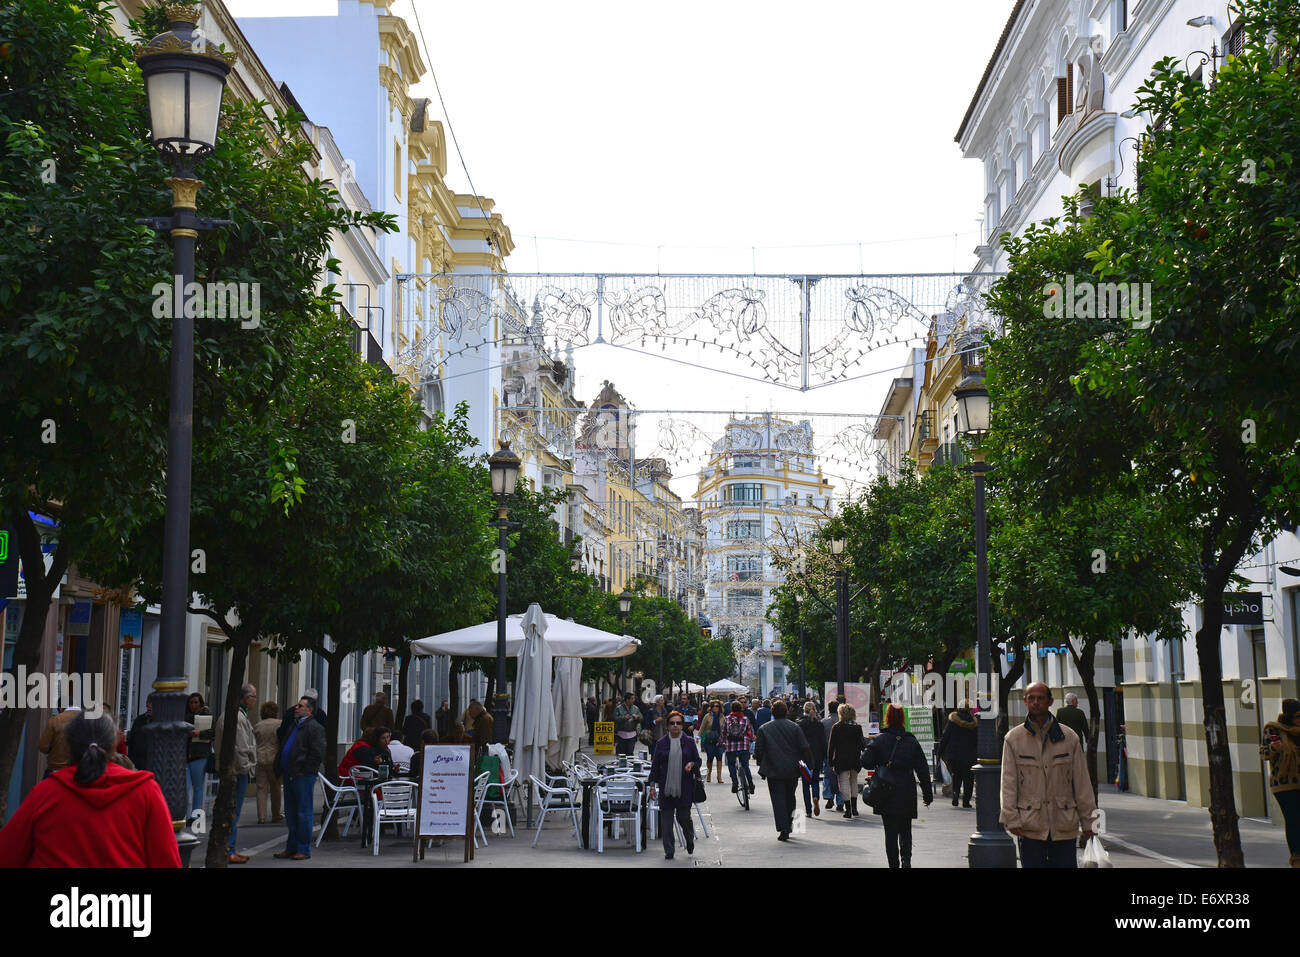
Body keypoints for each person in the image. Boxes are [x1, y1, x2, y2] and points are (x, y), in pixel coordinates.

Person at [0, 713, 181, 867]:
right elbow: (167, 861)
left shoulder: (46, 792)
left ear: (68, 747)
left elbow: (7, 854)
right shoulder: (145, 792)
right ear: (113, 746)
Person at [999, 682, 1096, 868]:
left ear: (1050, 701)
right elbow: (1008, 782)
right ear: (1025, 701)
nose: (1036, 703)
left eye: (1040, 698)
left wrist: (1090, 822)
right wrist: (1010, 817)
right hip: (1030, 826)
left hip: (1064, 825)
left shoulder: (1070, 738)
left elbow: (1082, 783)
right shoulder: (1013, 739)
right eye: (1031, 698)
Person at [862, 704, 934, 867]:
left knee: (890, 831)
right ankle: (906, 861)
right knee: (906, 829)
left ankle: (893, 864)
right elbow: (922, 769)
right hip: (906, 789)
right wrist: (927, 794)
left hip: (886, 790)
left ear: (887, 718)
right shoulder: (911, 741)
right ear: (902, 718)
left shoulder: (879, 740)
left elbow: (865, 762)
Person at [274, 696, 326, 861]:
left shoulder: (314, 727)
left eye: (300, 706)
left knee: (303, 812)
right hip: (291, 772)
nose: (296, 708)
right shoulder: (295, 725)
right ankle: (292, 846)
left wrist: (306, 769)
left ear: (309, 710)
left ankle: (303, 848)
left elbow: (317, 752)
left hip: (302, 774)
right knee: (291, 812)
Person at [212, 683, 258, 864]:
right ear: (246, 699)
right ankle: (228, 849)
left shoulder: (234, 716)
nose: (255, 700)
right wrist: (246, 768)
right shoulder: (236, 718)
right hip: (237, 771)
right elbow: (240, 749)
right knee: (233, 812)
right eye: (254, 697)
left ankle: (229, 848)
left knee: (231, 811)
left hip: (234, 770)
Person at [754, 700, 812, 841]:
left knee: (777, 799)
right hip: (792, 769)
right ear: (786, 712)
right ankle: (790, 823)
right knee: (790, 796)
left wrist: (761, 763)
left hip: (773, 769)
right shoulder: (795, 727)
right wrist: (808, 765)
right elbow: (804, 747)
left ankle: (783, 828)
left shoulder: (764, 728)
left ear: (772, 712)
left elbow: (759, 750)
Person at [650, 711, 702, 859]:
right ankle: (669, 851)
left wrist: (692, 764)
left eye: (678, 723)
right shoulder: (661, 743)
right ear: (667, 726)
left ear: (682, 725)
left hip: (684, 787)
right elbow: (655, 767)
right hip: (666, 787)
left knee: (683, 817)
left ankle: (689, 839)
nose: (675, 726)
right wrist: (652, 786)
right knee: (666, 823)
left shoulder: (689, 742)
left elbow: (698, 761)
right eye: (672, 723)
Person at [1260, 698, 1300, 867]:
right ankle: (1297, 858)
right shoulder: (1273, 729)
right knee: (1294, 819)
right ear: (1288, 717)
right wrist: (1274, 748)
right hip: (1284, 785)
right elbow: (1263, 754)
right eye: (1298, 715)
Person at [826, 702, 865, 819]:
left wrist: (830, 761)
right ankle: (855, 808)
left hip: (841, 759)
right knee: (853, 782)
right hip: (855, 758)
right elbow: (862, 744)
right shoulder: (857, 727)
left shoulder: (837, 727)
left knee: (843, 783)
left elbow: (831, 746)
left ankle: (848, 809)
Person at [937, 699, 978, 808]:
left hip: (954, 755)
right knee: (968, 778)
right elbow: (977, 740)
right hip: (969, 755)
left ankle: (955, 794)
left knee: (956, 775)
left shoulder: (953, 720)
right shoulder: (974, 723)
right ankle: (966, 801)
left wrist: (940, 752)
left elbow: (945, 737)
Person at [253, 701, 283, 824]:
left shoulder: (258, 726)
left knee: (261, 788)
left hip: (260, 758)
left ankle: (262, 816)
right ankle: (275, 814)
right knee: (275, 788)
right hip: (274, 759)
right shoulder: (279, 724)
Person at [797, 701, 828, 817]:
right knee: (815, 781)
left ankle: (808, 810)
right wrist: (825, 756)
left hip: (804, 757)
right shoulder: (819, 724)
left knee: (805, 784)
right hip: (817, 756)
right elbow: (823, 742)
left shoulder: (800, 724)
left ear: (804, 710)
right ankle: (815, 797)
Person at [185, 692, 214, 815]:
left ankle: (195, 815)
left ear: (200, 703)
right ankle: (184, 815)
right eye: (191, 702)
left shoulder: (206, 714)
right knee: (185, 788)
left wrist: (199, 734)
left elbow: (212, 733)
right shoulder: (185, 716)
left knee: (197, 787)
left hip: (199, 755)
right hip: (186, 755)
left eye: (196, 702)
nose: (193, 705)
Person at [37, 704, 83, 777]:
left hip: (57, 769)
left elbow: (43, 747)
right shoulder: (88, 719)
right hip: (81, 770)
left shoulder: (55, 720)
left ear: (60, 708)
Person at [721, 701, 756, 795]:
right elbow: (749, 732)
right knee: (745, 765)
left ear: (731, 709)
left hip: (730, 746)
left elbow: (723, 733)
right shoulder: (745, 719)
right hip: (743, 745)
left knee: (731, 764)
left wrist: (721, 742)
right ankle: (751, 784)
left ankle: (735, 782)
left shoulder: (727, 719)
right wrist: (752, 739)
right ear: (741, 708)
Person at [821, 700, 844, 812]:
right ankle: (840, 801)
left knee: (827, 775)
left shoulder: (824, 722)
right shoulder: (843, 722)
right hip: (841, 753)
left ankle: (829, 796)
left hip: (827, 752)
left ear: (828, 709)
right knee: (841, 777)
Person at [698, 699, 726, 782]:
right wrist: (698, 736)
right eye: (713, 706)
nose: (715, 708)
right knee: (710, 757)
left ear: (720, 707)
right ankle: (709, 774)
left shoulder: (722, 716)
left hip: (719, 740)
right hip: (709, 740)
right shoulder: (707, 716)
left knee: (719, 757)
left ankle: (719, 776)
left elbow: (724, 728)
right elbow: (702, 727)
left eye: (717, 706)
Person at [461, 700, 493, 764]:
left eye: (470, 712)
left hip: (483, 749)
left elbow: (484, 737)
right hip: (482, 748)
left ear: (477, 709)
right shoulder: (482, 718)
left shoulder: (484, 719)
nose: (469, 714)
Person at [127, 696, 154, 771]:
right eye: (148, 702)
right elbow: (132, 741)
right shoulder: (139, 720)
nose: (149, 705)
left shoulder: (161, 722)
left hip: (154, 764)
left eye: (152, 703)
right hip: (138, 763)